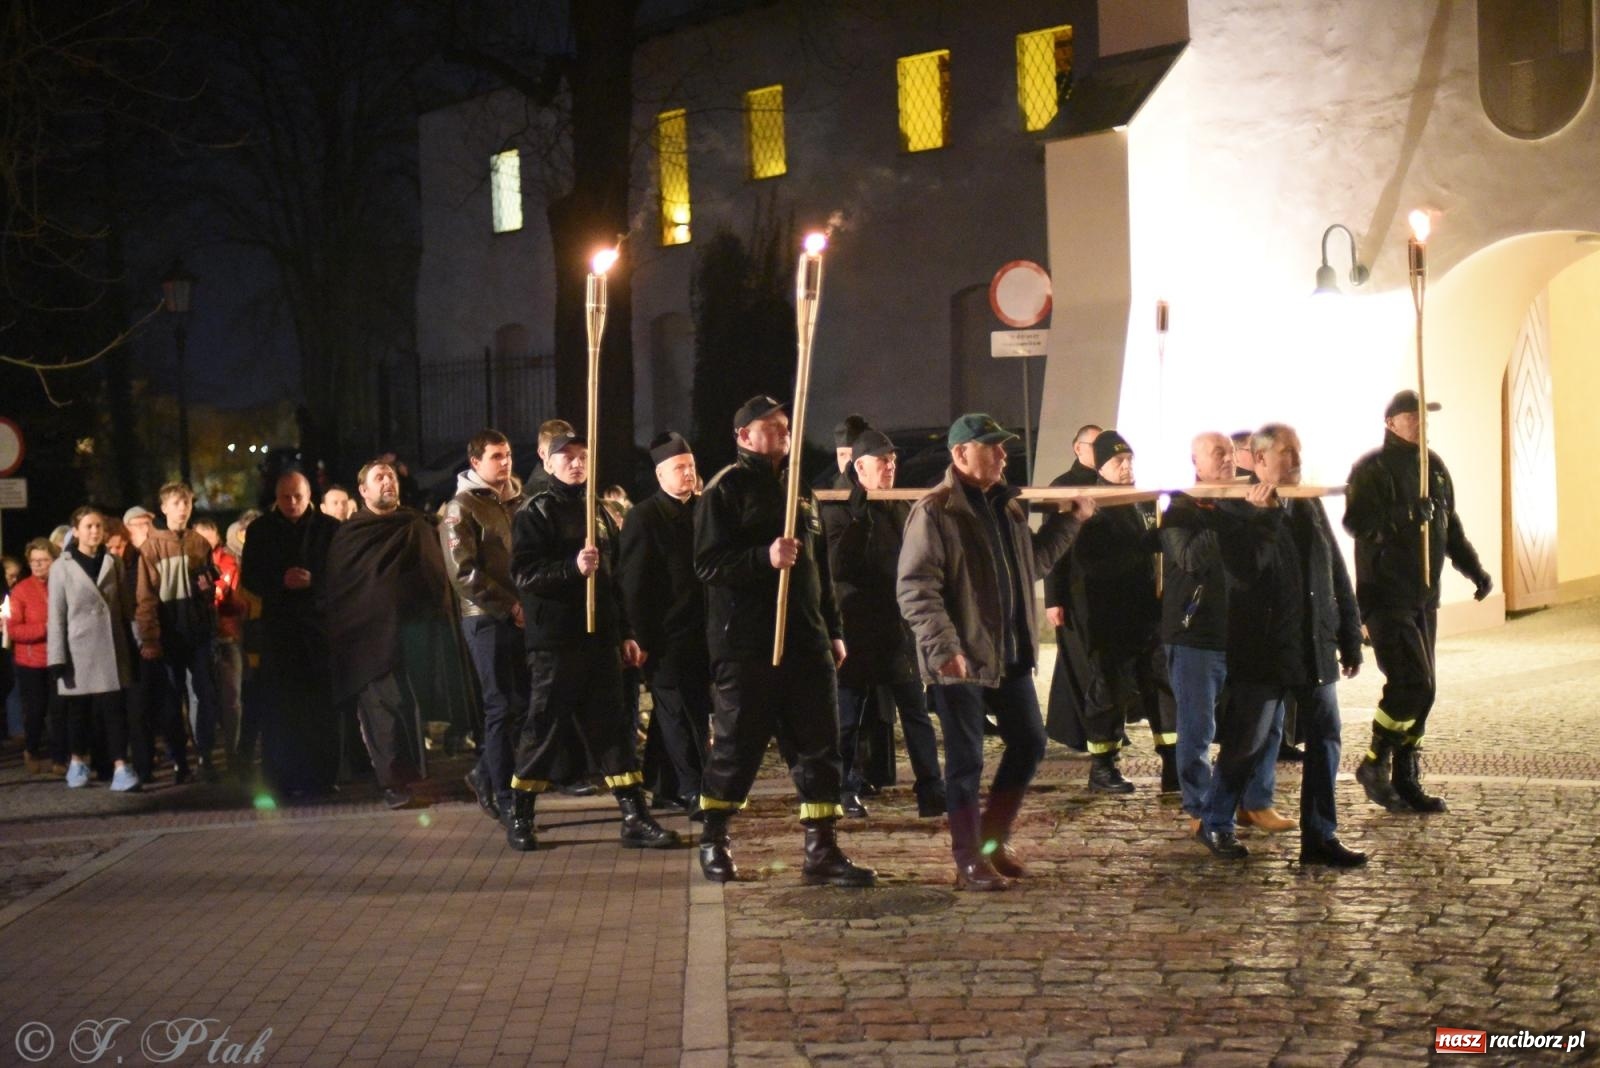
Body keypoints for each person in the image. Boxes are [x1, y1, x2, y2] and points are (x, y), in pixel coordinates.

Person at [898, 414, 1093, 890]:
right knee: (966, 761)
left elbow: (1033, 564)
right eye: (992, 447)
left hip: (1008, 653)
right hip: (960, 657)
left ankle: (991, 840)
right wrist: (944, 647)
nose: (1004, 455)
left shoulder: (1007, 507)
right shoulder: (935, 511)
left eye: (1003, 446)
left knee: (1030, 742)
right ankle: (969, 860)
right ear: (960, 453)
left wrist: (1070, 521)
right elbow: (916, 588)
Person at [693, 395, 875, 887]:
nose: (783, 433)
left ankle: (822, 849)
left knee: (819, 746)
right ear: (743, 435)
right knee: (737, 746)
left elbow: (819, 569)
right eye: (770, 426)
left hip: (806, 640)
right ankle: (714, 837)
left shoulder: (800, 489)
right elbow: (708, 564)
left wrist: (833, 629)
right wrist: (763, 558)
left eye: (786, 426)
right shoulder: (724, 489)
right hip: (747, 644)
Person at [1197, 424, 1367, 867]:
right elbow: (1244, 572)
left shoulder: (1307, 501)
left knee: (1326, 738)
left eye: (1297, 451)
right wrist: (1265, 516)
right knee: (1247, 743)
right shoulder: (1235, 507)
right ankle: (1215, 820)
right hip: (1265, 649)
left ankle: (1320, 836)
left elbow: (1334, 571)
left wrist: (1349, 635)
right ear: (1258, 459)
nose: (1296, 459)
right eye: (1286, 452)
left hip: (1313, 644)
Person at [502, 432, 678, 852]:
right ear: (549, 464)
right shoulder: (534, 511)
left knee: (612, 729)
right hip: (556, 641)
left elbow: (614, 581)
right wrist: (572, 568)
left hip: (598, 640)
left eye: (583, 457)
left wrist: (626, 633)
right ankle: (521, 815)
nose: (577, 463)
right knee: (544, 727)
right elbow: (524, 574)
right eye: (567, 457)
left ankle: (635, 817)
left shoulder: (597, 511)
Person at [1344, 389, 1493, 814]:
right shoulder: (1372, 469)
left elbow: (1450, 527)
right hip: (1385, 595)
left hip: (1424, 596)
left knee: (1426, 692)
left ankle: (1405, 776)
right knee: (1412, 682)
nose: (1421, 422)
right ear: (1390, 422)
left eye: (1424, 416)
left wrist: (1474, 570)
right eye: (1412, 416)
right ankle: (1375, 760)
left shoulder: (1435, 467)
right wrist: (1406, 514)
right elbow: (1357, 523)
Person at [1162, 433, 1295, 834]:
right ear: (1195, 462)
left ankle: (1256, 802)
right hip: (1196, 635)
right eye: (1216, 453)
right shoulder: (1180, 507)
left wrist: (1255, 514)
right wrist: (1222, 516)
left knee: (1266, 724)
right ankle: (1199, 806)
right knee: (1197, 728)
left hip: (1248, 633)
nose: (1227, 459)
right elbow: (1189, 558)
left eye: (1229, 452)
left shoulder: (1245, 502)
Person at [321, 461, 474, 808]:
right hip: (368, 639)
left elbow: (433, 573)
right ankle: (393, 782)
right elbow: (343, 588)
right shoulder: (351, 534)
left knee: (409, 706)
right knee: (384, 707)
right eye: (379, 478)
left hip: (412, 634)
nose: (388, 481)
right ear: (363, 491)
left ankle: (412, 777)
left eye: (391, 476)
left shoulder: (414, 523)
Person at [821, 428, 945, 819]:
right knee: (849, 717)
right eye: (882, 461)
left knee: (916, 713)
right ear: (860, 467)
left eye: (893, 461)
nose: (891, 467)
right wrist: (859, 520)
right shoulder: (838, 506)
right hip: (856, 625)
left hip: (896, 625)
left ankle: (932, 789)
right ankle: (844, 788)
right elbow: (839, 566)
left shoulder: (900, 502)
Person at [1065, 431, 1178, 795]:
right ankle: (1102, 767)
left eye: (1130, 459)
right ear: (1100, 466)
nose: (1127, 466)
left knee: (1161, 687)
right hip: (1108, 615)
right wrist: (1142, 547)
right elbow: (1092, 563)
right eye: (1118, 461)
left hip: (1148, 613)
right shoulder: (1092, 505)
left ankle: (1173, 762)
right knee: (1109, 691)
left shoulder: (1141, 500)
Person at [617, 431, 712, 817]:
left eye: (691, 466)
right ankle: (695, 788)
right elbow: (633, 583)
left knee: (676, 711)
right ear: (660, 475)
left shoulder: (705, 510)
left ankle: (662, 784)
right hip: (664, 635)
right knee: (682, 714)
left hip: (701, 632)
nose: (687, 473)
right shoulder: (643, 517)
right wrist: (637, 635)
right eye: (679, 468)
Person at [442, 429, 528, 824]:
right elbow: (464, 572)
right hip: (486, 618)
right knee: (500, 705)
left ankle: (486, 773)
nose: (505, 462)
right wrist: (509, 606)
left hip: (522, 613)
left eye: (507, 455)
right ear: (475, 462)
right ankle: (503, 792)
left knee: (524, 705)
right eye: (496, 456)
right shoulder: (461, 507)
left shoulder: (518, 500)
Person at [241, 471, 341, 795]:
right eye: (286, 497)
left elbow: (342, 573)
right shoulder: (260, 530)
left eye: (298, 496)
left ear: (309, 495)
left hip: (318, 630)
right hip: (279, 632)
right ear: (276, 498)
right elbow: (250, 577)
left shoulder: (329, 529)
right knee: (281, 709)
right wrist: (280, 582)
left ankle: (322, 777)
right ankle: (282, 778)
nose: (293, 503)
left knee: (320, 707)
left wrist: (315, 582)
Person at [135, 482, 223, 782]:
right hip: (169, 633)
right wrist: (150, 636)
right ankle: (179, 760)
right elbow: (145, 597)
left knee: (205, 695)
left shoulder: (199, 543)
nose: (183, 508)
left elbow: (209, 589)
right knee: (172, 701)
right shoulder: (152, 547)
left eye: (186, 503)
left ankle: (205, 755)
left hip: (198, 631)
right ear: (164, 508)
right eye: (176, 503)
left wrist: (207, 588)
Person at [48, 508, 140, 791]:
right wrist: (57, 657)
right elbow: (56, 615)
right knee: (79, 711)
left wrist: (135, 642)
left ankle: (120, 766)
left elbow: (126, 608)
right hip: (78, 648)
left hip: (111, 646)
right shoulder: (61, 567)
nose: (94, 531)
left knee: (114, 710)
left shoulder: (113, 562)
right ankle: (77, 761)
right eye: (88, 526)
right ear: (76, 531)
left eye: (98, 526)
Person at [1043, 424, 1101, 748]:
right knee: (1079, 661)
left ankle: (1069, 727)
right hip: (1073, 588)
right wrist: (1053, 598)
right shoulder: (1063, 485)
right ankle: (1090, 728)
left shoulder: (1106, 482)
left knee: (1074, 663)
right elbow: (1052, 547)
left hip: (1096, 588)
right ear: (1078, 448)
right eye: (1094, 445)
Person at [193, 518, 244, 766]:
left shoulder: (227, 562)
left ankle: (234, 751)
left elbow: (229, 598)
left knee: (231, 697)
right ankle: (204, 754)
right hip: (199, 637)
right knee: (200, 698)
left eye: (208, 534)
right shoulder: (189, 562)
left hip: (226, 634)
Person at [9, 538, 59, 775]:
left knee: (58, 710)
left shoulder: (60, 585)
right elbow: (13, 629)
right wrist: (45, 628)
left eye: (44, 560)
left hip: (57, 657)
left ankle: (60, 756)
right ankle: (32, 749)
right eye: (33, 561)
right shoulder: (21, 590)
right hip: (31, 661)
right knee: (36, 710)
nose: (38, 565)